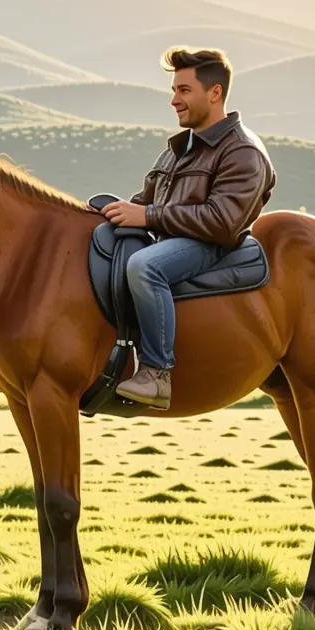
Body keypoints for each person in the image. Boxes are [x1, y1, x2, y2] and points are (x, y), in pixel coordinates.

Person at [100, 46, 276, 410]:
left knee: (144, 266)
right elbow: (145, 201)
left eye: (183, 90)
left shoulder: (242, 151)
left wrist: (147, 217)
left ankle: (156, 372)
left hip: (212, 246)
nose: (174, 100)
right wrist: (109, 212)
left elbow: (223, 221)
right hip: (172, 238)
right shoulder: (179, 148)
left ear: (215, 93)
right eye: (173, 90)